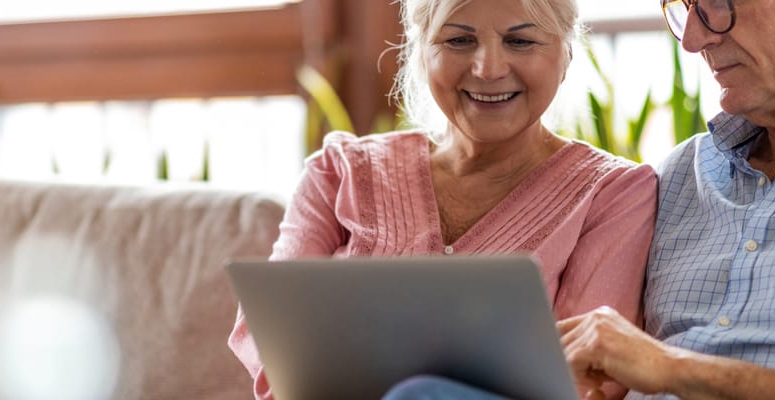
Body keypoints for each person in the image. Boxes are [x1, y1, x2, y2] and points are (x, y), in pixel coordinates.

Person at [227, 0, 658, 398]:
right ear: (420, 53)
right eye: (458, 40)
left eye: (520, 40)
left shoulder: (614, 192)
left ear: (567, 54)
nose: (488, 68)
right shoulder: (338, 171)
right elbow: (272, 337)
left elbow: (586, 380)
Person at [559, 0, 775, 398]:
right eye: (686, 8)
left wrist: (673, 369)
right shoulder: (677, 175)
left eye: (718, 5)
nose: (692, 39)